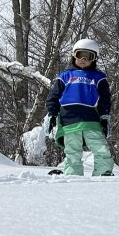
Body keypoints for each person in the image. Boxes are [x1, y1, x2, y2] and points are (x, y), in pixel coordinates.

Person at [45, 38, 115, 176]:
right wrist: (52, 113)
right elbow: (53, 96)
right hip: (69, 120)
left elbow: (105, 99)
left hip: (91, 119)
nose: (83, 59)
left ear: (94, 59)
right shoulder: (64, 76)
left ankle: (103, 173)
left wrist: (104, 116)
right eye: (80, 55)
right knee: (72, 150)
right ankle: (73, 175)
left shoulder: (98, 77)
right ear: (73, 55)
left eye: (88, 56)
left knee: (100, 147)